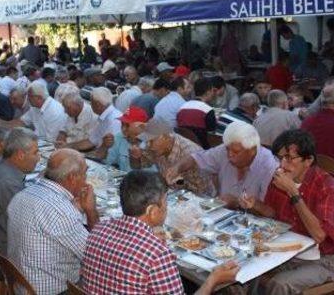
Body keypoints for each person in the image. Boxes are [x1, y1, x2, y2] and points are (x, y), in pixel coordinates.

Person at [81, 170, 240, 294]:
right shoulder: (157, 254)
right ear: (152, 211)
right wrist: (213, 280)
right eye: (165, 202)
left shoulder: (99, 228)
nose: (166, 208)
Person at [240, 129, 334, 295]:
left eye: (289, 158)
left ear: (308, 160)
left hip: (320, 260)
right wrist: (255, 205)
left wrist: (294, 194)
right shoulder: (280, 180)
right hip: (286, 252)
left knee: (279, 285)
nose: (282, 165)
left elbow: (319, 235)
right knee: (239, 268)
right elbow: (273, 215)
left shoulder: (328, 186)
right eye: (280, 158)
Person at [7, 148, 99, 294]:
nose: (86, 179)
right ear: (72, 177)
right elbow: (95, 255)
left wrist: (76, 210)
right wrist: (91, 211)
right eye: (84, 173)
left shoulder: (22, 194)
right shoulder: (61, 212)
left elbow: (53, 229)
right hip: (53, 290)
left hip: (21, 283)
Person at [166, 122, 277, 206]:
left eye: (236, 152)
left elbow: (270, 211)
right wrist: (177, 168)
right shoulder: (226, 150)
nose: (229, 155)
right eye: (228, 149)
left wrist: (236, 202)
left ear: (252, 150)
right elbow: (195, 158)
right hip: (224, 214)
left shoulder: (269, 166)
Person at [0, 128, 39, 254]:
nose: (38, 158)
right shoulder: (9, 183)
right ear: (20, 155)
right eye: (35, 153)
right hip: (2, 254)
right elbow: (28, 226)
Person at [132, 118, 209, 194]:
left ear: (166, 137)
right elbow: (138, 166)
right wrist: (135, 157)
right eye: (147, 141)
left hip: (196, 198)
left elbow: (202, 189)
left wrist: (179, 182)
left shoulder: (189, 152)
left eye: (151, 141)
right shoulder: (155, 148)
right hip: (172, 194)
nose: (148, 145)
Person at [65, 87, 121, 155]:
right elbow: (90, 141)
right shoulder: (104, 117)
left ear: (98, 104)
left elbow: (111, 150)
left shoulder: (114, 119)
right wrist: (67, 146)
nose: (90, 105)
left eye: (91, 103)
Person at [102, 106, 151, 171]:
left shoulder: (151, 144)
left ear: (140, 127)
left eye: (127, 125)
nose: (123, 129)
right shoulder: (119, 137)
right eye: (122, 124)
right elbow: (107, 163)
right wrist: (104, 147)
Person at [177, 77, 217, 147]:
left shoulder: (182, 107)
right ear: (208, 92)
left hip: (183, 145)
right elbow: (211, 136)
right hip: (201, 148)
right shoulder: (208, 110)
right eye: (212, 91)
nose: (213, 93)